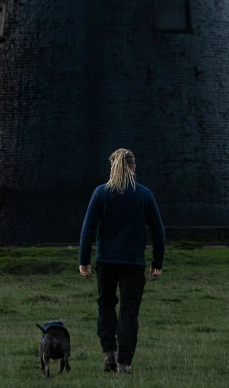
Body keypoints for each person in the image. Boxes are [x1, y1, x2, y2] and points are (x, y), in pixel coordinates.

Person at [79, 148, 165, 374]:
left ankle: (109, 353)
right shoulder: (145, 194)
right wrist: (157, 262)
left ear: (112, 167)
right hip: (133, 262)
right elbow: (158, 231)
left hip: (106, 260)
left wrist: (83, 260)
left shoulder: (100, 193)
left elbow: (88, 229)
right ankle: (125, 362)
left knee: (105, 305)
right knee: (129, 310)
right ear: (134, 168)